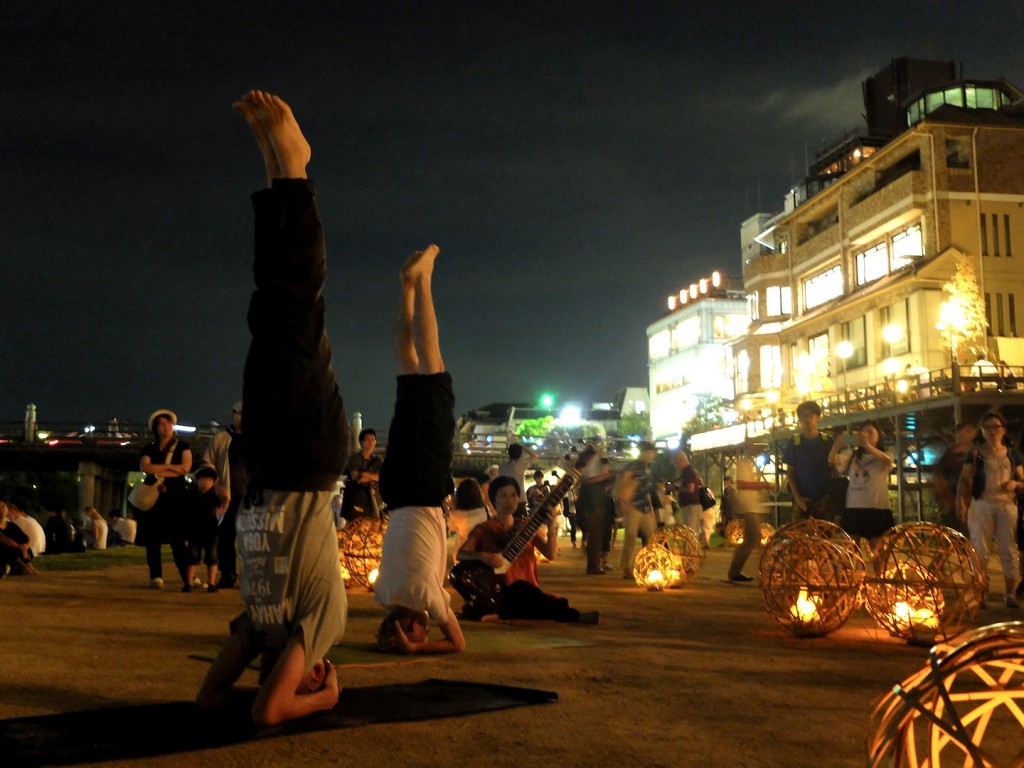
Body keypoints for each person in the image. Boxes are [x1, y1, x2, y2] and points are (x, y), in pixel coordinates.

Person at [197, 90, 347, 726]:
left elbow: (243, 706)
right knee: (293, 312)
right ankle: (291, 169)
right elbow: (253, 706)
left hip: (270, 462)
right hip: (304, 461)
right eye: (317, 675)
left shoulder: (265, 628)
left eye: (310, 673)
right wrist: (316, 687)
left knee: (274, 314)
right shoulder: (308, 625)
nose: (316, 672)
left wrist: (323, 692)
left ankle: (281, 169)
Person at [371, 242, 465, 656]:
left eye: (420, 631)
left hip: (425, 488)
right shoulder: (383, 592)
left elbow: (456, 644)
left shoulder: (425, 597)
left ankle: (425, 278)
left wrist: (415, 649)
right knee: (408, 370)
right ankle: (407, 289)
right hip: (394, 490)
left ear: (410, 625)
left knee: (433, 367)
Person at [457, 476, 598, 623]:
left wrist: (551, 527)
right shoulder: (484, 529)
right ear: (493, 500)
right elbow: (461, 554)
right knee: (524, 590)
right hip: (500, 594)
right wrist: (481, 556)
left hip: (529, 592)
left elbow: (550, 555)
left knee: (531, 593)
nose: (509, 500)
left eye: (513, 495)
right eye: (503, 495)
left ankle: (506, 614)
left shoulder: (526, 526)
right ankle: (573, 616)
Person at [957, 411, 1023, 609]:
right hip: (982, 503)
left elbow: (1022, 481)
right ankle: (980, 592)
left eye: (996, 426)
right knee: (979, 549)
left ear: (1003, 429)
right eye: (988, 427)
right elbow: (964, 478)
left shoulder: (1012, 455)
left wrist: (1015, 484)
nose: (993, 431)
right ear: (982, 431)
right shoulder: (975, 453)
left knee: (1008, 548)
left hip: (1007, 505)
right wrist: (960, 500)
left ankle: (1010, 593)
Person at [137, 409, 192, 588]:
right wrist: (171, 468)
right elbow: (145, 467)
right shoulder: (149, 448)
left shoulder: (183, 446)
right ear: (156, 428)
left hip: (175, 497)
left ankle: (187, 576)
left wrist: (158, 468)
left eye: (168, 423)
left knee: (178, 539)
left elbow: (186, 467)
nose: (165, 427)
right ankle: (156, 576)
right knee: (152, 539)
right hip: (154, 497)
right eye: (161, 423)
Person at [828, 421, 895, 551]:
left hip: (877, 508)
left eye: (870, 432)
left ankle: (878, 572)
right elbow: (832, 460)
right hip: (854, 508)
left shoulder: (885, 454)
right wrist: (836, 446)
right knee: (851, 550)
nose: (866, 435)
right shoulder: (852, 454)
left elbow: (887, 461)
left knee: (877, 550)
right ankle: (855, 572)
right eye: (863, 432)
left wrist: (868, 446)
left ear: (879, 435)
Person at [202, 401, 246, 589]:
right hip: (227, 496)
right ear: (233, 415)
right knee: (226, 537)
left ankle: (250, 576)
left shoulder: (259, 440)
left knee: (250, 539)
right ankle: (227, 574)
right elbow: (208, 462)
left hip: (251, 498)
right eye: (239, 413)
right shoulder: (220, 438)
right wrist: (216, 483)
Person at [782, 400, 833, 520]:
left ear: (818, 417)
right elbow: (790, 473)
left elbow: (835, 470)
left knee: (825, 536)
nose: (807, 419)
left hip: (824, 502)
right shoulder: (794, 443)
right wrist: (798, 499)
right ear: (800, 419)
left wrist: (830, 498)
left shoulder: (827, 442)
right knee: (800, 536)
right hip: (802, 502)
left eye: (810, 415)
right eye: (803, 416)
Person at [726, 456, 772, 583]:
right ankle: (765, 572)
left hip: (752, 506)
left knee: (752, 540)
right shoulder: (743, 463)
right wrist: (763, 485)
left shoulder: (751, 464)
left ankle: (735, 571)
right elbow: (741, 484)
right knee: (754, 539)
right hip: (747, 507)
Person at [618, 441, 660, 579]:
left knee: (652, 537)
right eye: (649, 452)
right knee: (630, 537)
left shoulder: (648, 468)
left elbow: (646, 490)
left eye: (652, 453)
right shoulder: (632, 466)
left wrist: (651, 508)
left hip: (645, 508)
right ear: (642, 452)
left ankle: (649, 564)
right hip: (633, 507)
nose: (651, 455)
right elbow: (623, 483)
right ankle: (626, 567)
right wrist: (623, 503)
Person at [934, 421, 978, 535]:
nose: (963, 435)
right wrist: (945, 496)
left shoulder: (977, 453)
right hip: (952, 499)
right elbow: (938, 475)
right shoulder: (949, 455)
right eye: (960, 432)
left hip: (973, 500)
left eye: (968, 431)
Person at [183, 467, 221, 593]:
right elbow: (187, 514)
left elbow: (219, 511)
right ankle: (188, 583)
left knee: (212, 557)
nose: (205, 482)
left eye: (208, 480)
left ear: (213, 482)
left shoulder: (215, 496)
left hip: (211, 531)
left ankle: (211, 583)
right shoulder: (192, 495)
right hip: (195, 531)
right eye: (202, 479)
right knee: (192, 557)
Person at [340, 428, 383, 521]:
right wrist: (372, 477)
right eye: (368, 440)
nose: (371, 442)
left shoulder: (378, 460)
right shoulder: (354, 459)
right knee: (356, 525)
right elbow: (356, 477)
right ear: (361, 442)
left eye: (373, 440)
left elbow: (380, 477)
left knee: (374, 525)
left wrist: (363, 474)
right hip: (357, 497)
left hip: (374, 498)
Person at [448, 478, 488, 557]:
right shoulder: (485, 510)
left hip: (463, 555)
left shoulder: (456, 515)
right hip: (482, 553)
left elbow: (451, 528)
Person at [0, 501, 36, 576]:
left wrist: (26, 545)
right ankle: (22, 567)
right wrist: (20, 547)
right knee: (8, 549)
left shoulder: (11, 525)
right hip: (5, 551)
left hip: (18, 550)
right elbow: (3, 539)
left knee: (23, 543)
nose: (2, 510)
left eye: (3, 507)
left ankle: (29, 566)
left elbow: (25, 537)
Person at [674, 450, 703, 541]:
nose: (677, 466)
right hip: (690, 506)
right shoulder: (690, 471)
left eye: (677, 463)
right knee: (688, 534)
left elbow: (691, 489)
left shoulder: (688, 472)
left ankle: (690, 554)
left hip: (691, 507)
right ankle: (688, 553)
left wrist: (676, 488)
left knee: (690, 535)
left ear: (682, 460)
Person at [499, 443, 537, 509]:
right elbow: (534, 456)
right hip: (520, 498)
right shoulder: (521, 465)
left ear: (509, 453)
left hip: (505, 500)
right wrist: (523, 447)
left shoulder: (502, 468)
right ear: (520, 454)